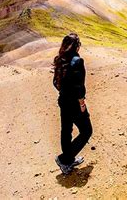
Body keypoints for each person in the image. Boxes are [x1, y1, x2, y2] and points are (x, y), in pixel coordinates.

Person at [53, 33, 93, 175]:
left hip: (63, 100)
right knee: (87, 131)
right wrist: (81, 103)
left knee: (66, 131)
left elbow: (55, 83)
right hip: (74, 103)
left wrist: (64, 92)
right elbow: (79, 87)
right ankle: (65, 159)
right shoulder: (78, 61)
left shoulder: (59, 59)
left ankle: (68, 159)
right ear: (77, 46)